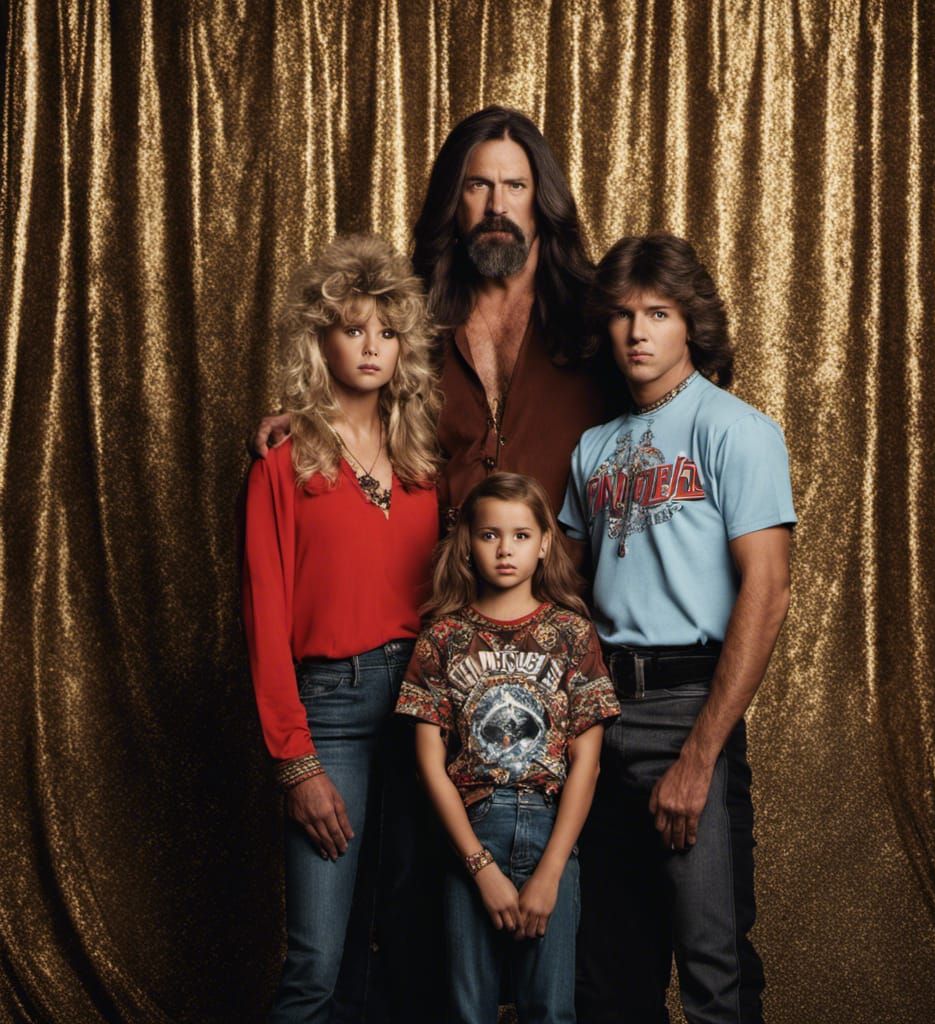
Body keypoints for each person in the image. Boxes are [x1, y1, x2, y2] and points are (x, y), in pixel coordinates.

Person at [558, 234, 796, 1024]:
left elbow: (767, 592)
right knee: (607, 975)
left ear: (690, 323)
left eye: (657, 313)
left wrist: (700, 758)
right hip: (600, 715)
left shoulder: (737, 430)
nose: (637, 332)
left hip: (687, 709)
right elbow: (559, 586)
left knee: (712, 968)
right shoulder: (593, 448)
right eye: (623, 315)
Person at [242, 234, 442, 1023]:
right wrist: (297, 765)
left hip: (425, 707)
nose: (371, 347)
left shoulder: (425, 456)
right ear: (319, 337)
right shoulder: (282, 462)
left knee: (404, 940)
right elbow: (263, 620)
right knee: (318, 958)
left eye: (387, 332)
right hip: (331, 709)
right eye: (353, 328)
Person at [252, 106, 620, 520]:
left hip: (567, 579)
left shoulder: (600, 314)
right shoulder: (408, 316)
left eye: (515, 185)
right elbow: (363, 396)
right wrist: (312, 423)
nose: (496, 206)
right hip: (438, 577)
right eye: (477, 185)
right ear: (453, 200)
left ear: (542, 199)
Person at [395, 472, 620, 1024]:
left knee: (550, 1009)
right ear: (468, 543)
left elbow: (586, 763)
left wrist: (552, 871)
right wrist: (478, 866)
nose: (505, 549)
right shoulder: (442, 638)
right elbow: (429, 764)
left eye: (521, 535)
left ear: (545, 543)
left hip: (553, 825)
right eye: (490, 534)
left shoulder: (571, 633)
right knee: (467, 1009)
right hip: (471, 827)